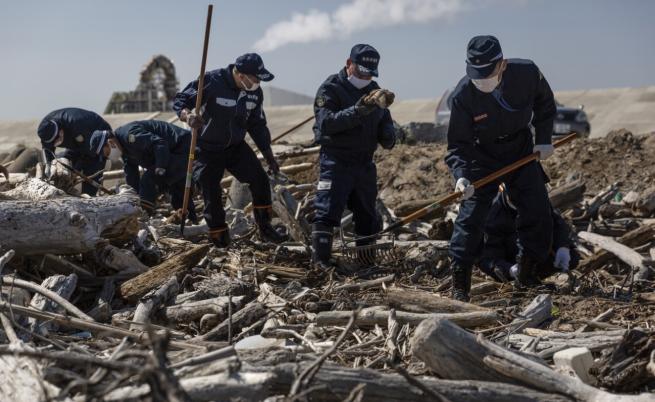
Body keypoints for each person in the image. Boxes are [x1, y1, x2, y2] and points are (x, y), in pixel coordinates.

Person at [445, 35, 557, 301]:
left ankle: (527, 275)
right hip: (482, 156)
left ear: (502, 64)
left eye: (487, 73)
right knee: (471, 219)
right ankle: (460, 285)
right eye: (476, 74)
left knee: (537, 210)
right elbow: (457, 145)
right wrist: (461, 177)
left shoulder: (527, 73)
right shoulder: (462, 96)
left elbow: (545, 104)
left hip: (521, 150)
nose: (482, 80)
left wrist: (543, 139)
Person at [173, 53, 288, 248]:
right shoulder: (212, 81)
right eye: (255, 78)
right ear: (241, 75)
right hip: (207, 148)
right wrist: (188, 116)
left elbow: (257, 125)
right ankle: (220, 237)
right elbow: (180, 100)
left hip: (235, 146)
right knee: (211, 190)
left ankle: (265, 228)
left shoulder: (254, 93)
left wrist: (269, 156)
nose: (258, 82)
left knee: (259, 179)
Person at [311, 44, 397, 271]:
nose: (365, 77)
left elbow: (384, 119)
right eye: (361, 72)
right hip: (336, 159)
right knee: (327, 210)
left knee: (368, 215)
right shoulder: (331, 88)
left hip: (364, 163)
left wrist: (389, 134)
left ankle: (366, 263)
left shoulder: (375, 90)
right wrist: (358, 110)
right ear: (349, 64)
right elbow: (326, 123)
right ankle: (320, 262)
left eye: (370, 73)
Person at [89, 120, 197, 221]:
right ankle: (191, 222)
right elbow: (131, 174)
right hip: (170, 153)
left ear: (110, 142)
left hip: (182, 146)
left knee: (148, 179)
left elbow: (159, 143)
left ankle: (143, 216)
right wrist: (134, 195)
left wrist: (160, 168)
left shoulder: (130, 136)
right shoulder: (125, 151)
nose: (108, 157)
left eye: (106, 153)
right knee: (178, 195)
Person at [479, 183, 579, 282]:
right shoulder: (493, 216)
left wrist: (562, 246)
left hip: (536, 255)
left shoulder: (535, 199)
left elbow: (557, 223)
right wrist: (509, 269)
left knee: (572, 257)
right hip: (511, 261)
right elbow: (488, 257)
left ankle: (532, 275)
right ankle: (524, 277)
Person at [37, 107, 111, 196]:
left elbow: (89, 151)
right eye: (54, 142)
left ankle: (90, 198)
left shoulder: (76, 122)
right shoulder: (45, 133)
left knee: (91, 168)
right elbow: (48, 154)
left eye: (58, 139)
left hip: (95, 136)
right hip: (75, 142)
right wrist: (48, 168)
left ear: (60, 129)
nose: (57, 142)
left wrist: (78, 167)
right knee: (64, 168)